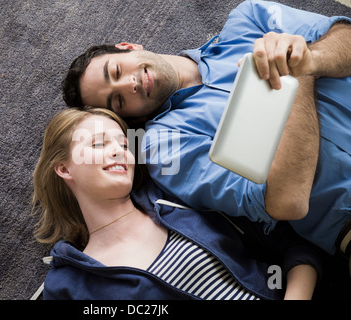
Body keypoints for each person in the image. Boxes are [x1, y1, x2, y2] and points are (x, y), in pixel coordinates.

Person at [61, 0, 351, 271]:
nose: (129, 84)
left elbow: (345, 36)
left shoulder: (248, 19)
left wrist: (312, 58)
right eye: (118, 101)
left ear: (127, 46)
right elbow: (287, 201)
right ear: (130, 118)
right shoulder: (163, 148)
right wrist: (299, 76)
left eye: (116, 70)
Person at [33, 107, 322, 300]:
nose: (118, 152)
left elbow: (291, 242)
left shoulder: (177, 195)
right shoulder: (66, 285)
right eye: (98, 144)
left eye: (123, 144)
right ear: (64, 169)